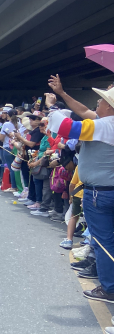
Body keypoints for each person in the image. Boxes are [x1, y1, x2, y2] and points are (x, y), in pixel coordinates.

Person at [47, 87, 114, 303]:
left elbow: (65, 126)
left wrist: (52, 106)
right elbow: (85, 111)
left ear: (110, 107)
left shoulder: (104, 125)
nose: (98, 101)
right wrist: (64, 94)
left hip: (100, 193)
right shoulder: (104, 123)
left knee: (104, 242)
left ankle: (109, 288)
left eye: (102, 99)